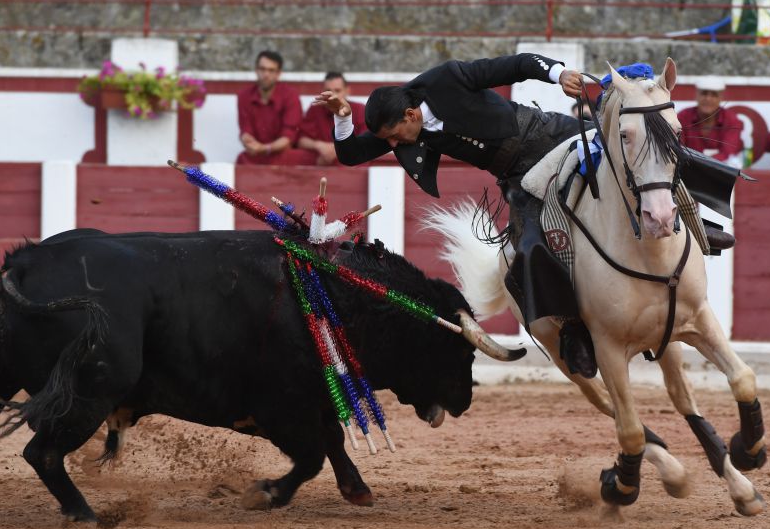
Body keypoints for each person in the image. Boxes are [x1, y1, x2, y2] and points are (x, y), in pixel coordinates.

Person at [313, 54, 738, 379]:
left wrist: (557, 73)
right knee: (532, 248)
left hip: (545, 134)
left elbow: (513, 66)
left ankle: (701, 225)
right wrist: (344, 116)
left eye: (393, 136)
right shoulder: (398, 122)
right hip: (518, 176)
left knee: (651, 150)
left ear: (408, 116)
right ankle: (573, 329)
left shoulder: (445, 81)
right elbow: (351, 154)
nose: (393, 144)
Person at [236, 51, 314, 166]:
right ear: (256, 70)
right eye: (262, 69)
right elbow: (246, 130)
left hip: (283, 154)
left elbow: (288, 138)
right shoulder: (244, 96)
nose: (266, 74)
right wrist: (247, 140)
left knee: (302, 157)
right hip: (257, 155)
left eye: (271, 70)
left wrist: (265, 148)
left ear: (278, 74)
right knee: (242, 159)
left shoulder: (290, 96)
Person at [297, 72, 367, 166]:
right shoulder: (315, 109)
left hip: (352, 168)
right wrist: (319, 146)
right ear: (322, 92)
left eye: (337, 91)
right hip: (320, 166)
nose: (332, 95)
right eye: (328, 90)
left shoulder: (360, 110)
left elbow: (366, 142)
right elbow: (301, 141)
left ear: (347, 91)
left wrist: (336, 149)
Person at [676, 77, 745, 167]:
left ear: (721, 98)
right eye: (704, 94)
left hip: (721, 173)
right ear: (696, 95)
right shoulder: (683, 116)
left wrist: (701, 162)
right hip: (688, 170)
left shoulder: (731, 120)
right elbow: (679, 149)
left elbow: (728, 153)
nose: (708, 99)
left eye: (714, 95)